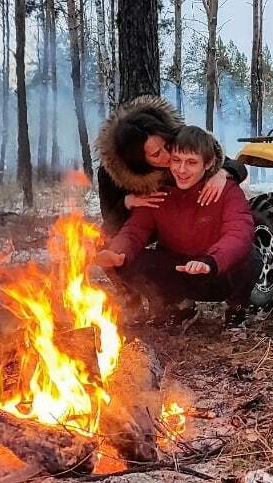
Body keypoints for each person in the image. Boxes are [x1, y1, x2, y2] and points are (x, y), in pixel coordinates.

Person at [95, 126, 259, 329]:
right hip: (180, 269)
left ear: (207, 163)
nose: (181, 170)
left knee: (249, 255)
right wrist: (117, 253)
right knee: (130, 260)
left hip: (216, 272)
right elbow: (135, 230)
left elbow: (239, 233)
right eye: (176, 160)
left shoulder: (226, 190)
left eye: (191, 162)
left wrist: (211, 261)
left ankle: (238, 308)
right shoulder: (159, 193)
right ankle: (180, 305)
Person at [94, 95, 248, 237]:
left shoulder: (179, 141)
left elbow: (235, 165)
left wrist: (223, 172)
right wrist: (127, 202)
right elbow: (109, 228)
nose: (169, 156)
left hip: (192, 231)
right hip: (143, 239)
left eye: (167, 146)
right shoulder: (113, 173)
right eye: (156, 154)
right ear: (139, 160)